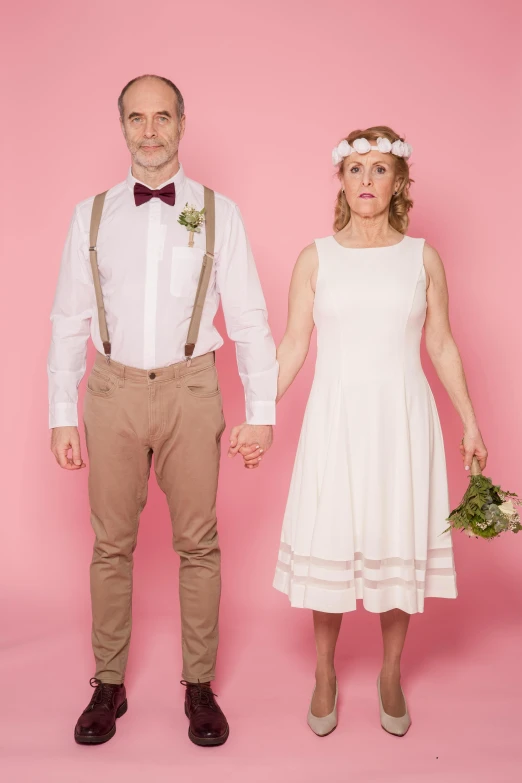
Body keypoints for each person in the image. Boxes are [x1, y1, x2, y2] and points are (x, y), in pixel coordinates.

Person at [48, 74, 277, 747]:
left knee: (198, 544)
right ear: (122, 125)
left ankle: (199, 685)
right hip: (112, 391)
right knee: (110, 544)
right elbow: (67, 318)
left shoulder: (218, 212)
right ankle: (108, 682)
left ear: (182, 123)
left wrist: (259, 408)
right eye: (137, 118)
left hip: (191, 388)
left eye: (162, 117)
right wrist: (63, 410)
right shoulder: (89, 215)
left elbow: (251, 317)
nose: (150, 131)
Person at [267, 126, 487, 737]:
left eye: (380, 170)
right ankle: (324, 673)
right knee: (332, 539)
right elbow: (292, 345)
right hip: (335, 419)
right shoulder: (316, 257)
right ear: (341, 180)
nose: (367, 181)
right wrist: (260, 412)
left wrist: (470, 421)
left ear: (399, 183)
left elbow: (440, 343)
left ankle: (391, 672)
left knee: (396, 540)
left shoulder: (422, 258)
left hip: (401, 420)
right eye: (356, 169)